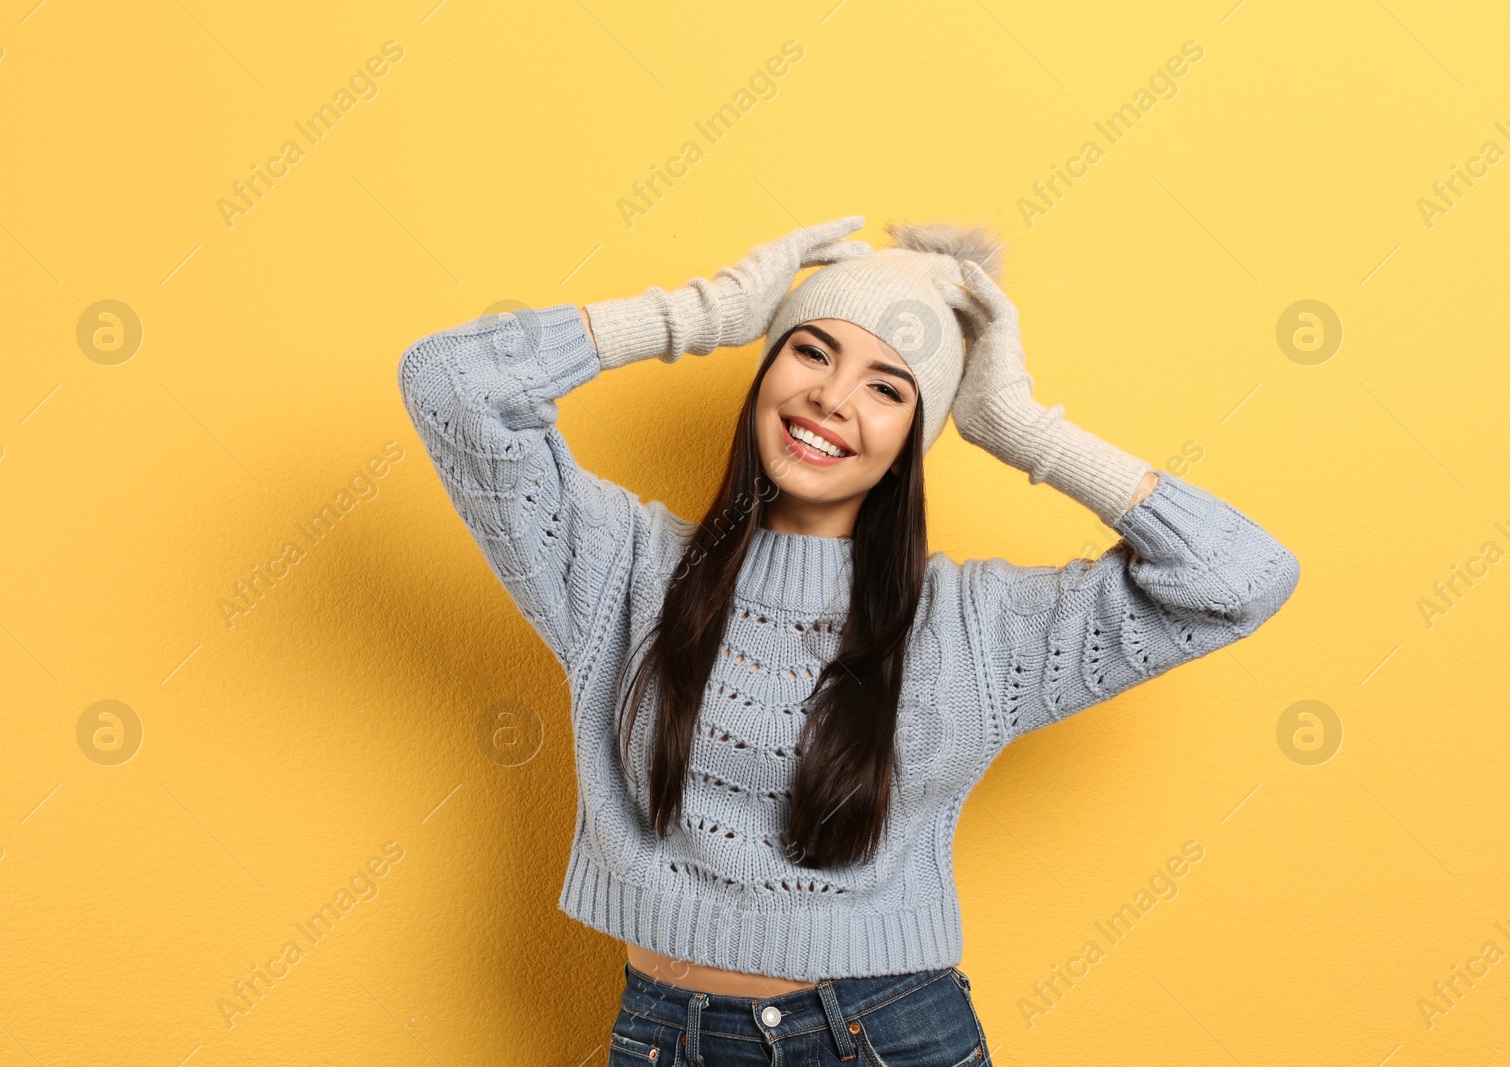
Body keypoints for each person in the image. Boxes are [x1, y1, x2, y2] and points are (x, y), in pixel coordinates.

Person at [396, 216, 1300, 1065]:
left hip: (884, 1033)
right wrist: (695, 314)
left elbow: (1240, 578)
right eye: (810, 349)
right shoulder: (620, 568)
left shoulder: (976, 627)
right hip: (664, 1033)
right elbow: (449, 383)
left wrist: (1024, 431)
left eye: (887, 385)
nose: (831, 399)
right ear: (767, 366)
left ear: (918, 430)